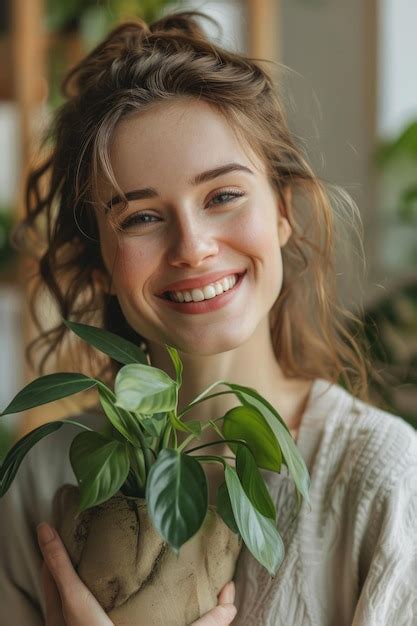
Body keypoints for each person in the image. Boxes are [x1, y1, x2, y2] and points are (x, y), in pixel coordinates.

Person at [0, 9, 416, 626]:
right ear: (102, 264)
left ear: (283, 211)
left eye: (223, 196)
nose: (192, 246)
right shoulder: (43, 481)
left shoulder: (383, 478)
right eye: (140, 217)